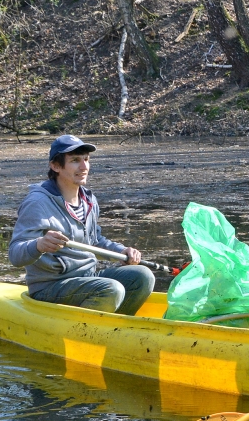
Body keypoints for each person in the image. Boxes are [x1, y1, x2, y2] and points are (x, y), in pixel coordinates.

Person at [8, 134, 154, 314]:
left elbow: (94, 240)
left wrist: (121, 252)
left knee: (143, 276)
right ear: (55, 166)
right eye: (75, 160)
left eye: (86, 159)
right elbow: (15, 254)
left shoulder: (88, 199)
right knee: (111, 289)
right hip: (50, 287)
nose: (84, 166)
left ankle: (115, 329)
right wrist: (39, 245)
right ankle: (88, 333)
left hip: (87, 278)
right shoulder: (37, 203)